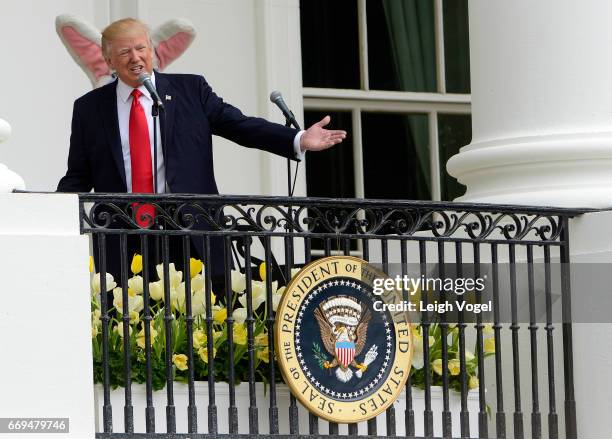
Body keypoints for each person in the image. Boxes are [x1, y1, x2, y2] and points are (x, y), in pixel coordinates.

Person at [57, 18, 346, 282]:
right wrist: (43, 214)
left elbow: (239, 125)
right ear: (108, 59)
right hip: (123, 237)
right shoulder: (89, 108)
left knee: (201, 328)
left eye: (140, 48)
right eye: (124, 53)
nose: (135, 58)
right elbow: (78, 175)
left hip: (191, 232)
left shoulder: (191, 90)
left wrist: (296, 139)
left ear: (152, 49)